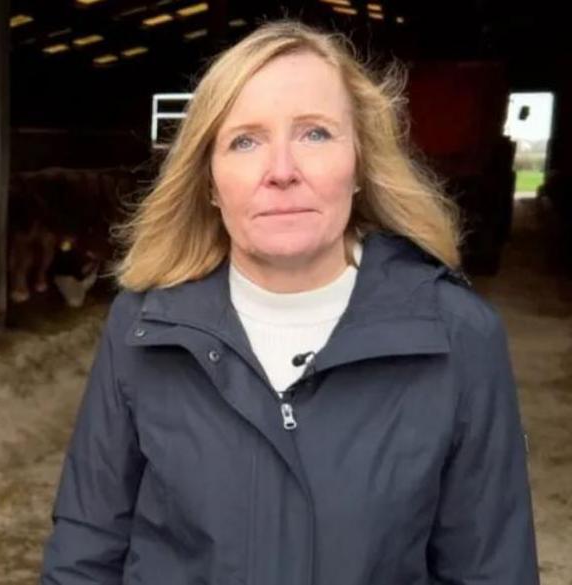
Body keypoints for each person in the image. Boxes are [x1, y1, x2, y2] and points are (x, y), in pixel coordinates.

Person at [40, 20, 539, 585]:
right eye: (245, 141)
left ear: (359, 165)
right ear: (208, 180)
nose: (281, 172)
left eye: (316, 134)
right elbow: (86, 548)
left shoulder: (457, 337)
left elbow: (492, 569)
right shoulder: (144, 327)